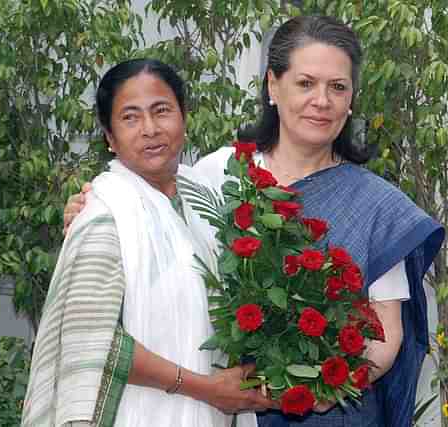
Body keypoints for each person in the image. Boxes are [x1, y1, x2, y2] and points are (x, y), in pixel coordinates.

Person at [64, 16, 444, 427]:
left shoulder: (377, 204)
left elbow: (386, 335)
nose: (322, 100)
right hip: (222, 411)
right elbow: (144, 217)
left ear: (352, 99)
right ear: (272, 86)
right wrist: (88, 206)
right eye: (305, 83)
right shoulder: (218, 175)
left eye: (338, 87)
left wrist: (321, 390)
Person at [22, 58, 276, 427]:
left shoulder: (207, 199)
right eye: (130, 117)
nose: (150, 129)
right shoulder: (104, 215)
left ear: (184, 118)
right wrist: (204, 388)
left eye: (162, 111)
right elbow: (94, 338)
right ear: (109, 137)